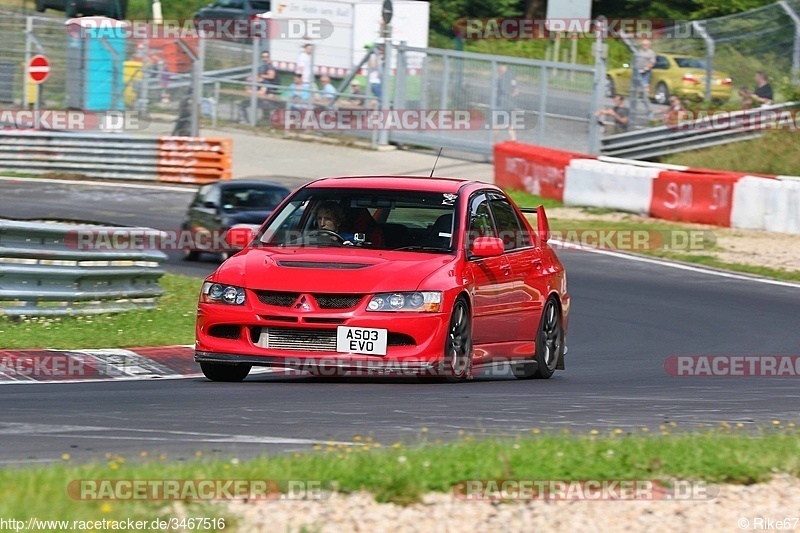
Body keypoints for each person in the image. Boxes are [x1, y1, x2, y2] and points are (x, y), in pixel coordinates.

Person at [495, 65, 519, 141]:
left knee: (497, 123)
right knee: (506, 124)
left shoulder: (501, 80)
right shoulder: (508, 80)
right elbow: (515, 92)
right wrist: (510, 94)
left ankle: (495, 141)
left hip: (503, 104)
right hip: (505, 105)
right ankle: (513, 139)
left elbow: (515, 91)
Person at [632, 39, 656, 114]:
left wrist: (646, 69)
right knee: (636, 88)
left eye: (645, 45)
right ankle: (636, 102)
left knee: (645, 87)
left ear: (648, 45)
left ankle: (646, 101)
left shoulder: (651, 53)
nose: (644, 46)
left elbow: (652, 63)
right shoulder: (638, 52)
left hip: (645, 72)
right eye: (643, 45)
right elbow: (634, 61)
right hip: (637, 72)